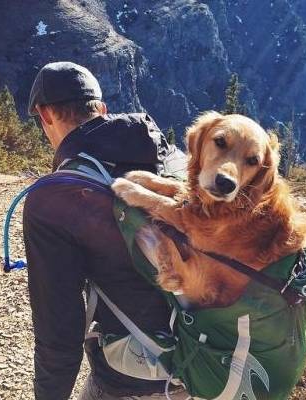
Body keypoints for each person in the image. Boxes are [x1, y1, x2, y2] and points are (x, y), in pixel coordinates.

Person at [24, 62, 187, 400]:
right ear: (100, 109)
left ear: (46, 116)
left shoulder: (54, 197)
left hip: (133, 377)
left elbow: (59, 333)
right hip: (211, 363)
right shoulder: (174, 160)